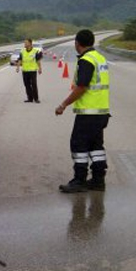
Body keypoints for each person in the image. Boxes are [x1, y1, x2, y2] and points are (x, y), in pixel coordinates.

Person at [55, 29, 110, 193]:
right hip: (101, 112)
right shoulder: (100, 58)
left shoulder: (86, 60)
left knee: (79, 145)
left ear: (77, 43)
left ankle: (79, 180)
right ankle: (98, 180)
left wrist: (64, 104)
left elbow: (82, 87)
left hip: (88, 113)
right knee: (96, 147)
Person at [16, 38, 43, 103]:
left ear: (30, 43)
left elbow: (38, 61)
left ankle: (36, 99)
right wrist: (18, 67)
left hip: (33, 71)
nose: (24, 44)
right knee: (27, 85)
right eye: (24, 43)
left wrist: (40, 68)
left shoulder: (35, 51)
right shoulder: (22, 51)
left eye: (26, 43)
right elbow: (20, 60)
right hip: (25, 71)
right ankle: (30, 98)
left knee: (34, 84)